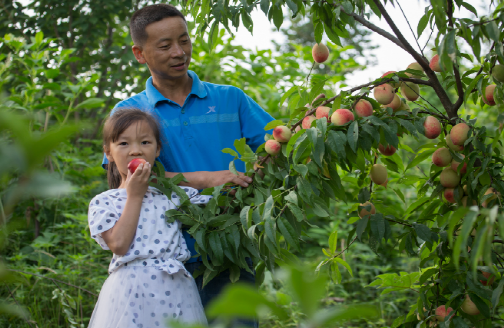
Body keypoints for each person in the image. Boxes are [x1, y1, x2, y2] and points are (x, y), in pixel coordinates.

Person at [102, 4, 275, 327]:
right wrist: (206, 179)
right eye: (165, 46)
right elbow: (123, 180)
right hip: (161, 258)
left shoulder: (230, 99)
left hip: (229, 250)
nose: (179, 52)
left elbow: (274, 148)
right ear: (140, 54)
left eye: (184, 40)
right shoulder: (131, 111)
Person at [88, 108, 212, 328]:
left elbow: (213, 207)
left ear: (157, 150)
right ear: (108, 152)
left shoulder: (174, 197)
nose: (136, 151)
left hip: (176, 291)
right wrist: (135, 194)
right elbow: (119, 244)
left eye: (145, 142)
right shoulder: (104, 202)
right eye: (124, 144)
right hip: (130, 294)